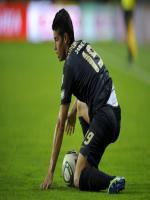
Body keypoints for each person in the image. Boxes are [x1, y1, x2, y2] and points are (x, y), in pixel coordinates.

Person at [41, 8, 125, 193]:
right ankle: (88, 166)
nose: (54, 48)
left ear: (65, 39)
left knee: (78, 179)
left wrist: (50, 172)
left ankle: (112, 180)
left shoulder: (69, 67)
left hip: (104, 117)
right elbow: (88, 82)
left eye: (56, 40)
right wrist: (73, 112)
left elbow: (59, 124)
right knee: (79, 106)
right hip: (113, 115)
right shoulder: (82, 45)